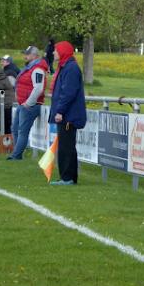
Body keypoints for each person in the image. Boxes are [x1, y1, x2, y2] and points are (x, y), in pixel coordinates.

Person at [48, 41, 87, 185]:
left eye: (56, 50)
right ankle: (68, 177)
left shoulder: (70, 68)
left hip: (68, 116)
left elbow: (68, 93)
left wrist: (60, 111)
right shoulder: (65, 67)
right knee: (66, 146)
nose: (53, 53)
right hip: (66, 115)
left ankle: (67, 178)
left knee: (66, 148)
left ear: (63, 51)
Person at [7, 46, 48, 160]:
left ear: (34, 55)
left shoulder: (37, 69)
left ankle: (16, 155)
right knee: (15, 129)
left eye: (27, 54)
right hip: (23, 104)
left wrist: (28, 103)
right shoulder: (30, 68)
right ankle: (16, 153)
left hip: (30, 106)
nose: (25, 56)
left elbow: (38, 88)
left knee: (22, 131)